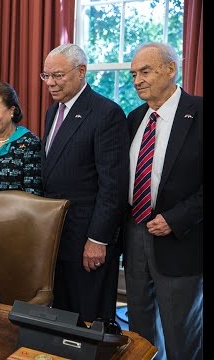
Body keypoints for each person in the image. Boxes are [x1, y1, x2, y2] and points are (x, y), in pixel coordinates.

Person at [123, 42, 203, 360]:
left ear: (171, 69)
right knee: (141, 334)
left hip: (181, 241)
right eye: (133, 74)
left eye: (145, 71)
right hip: (135, 235)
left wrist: (176, 218)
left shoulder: (199, 113)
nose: (138, 80)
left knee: (182, 338)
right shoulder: (133, 118)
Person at [40, 43, 129, 322]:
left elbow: (113, 185)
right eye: (46, 76)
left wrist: (98, 239)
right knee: (63, 317)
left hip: (87, 240)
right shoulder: (53, 112)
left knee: (89, 320)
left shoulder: (106, 113)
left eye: (57, 75)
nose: (51, 83)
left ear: (81, 72)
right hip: (58, 236)